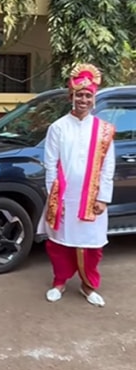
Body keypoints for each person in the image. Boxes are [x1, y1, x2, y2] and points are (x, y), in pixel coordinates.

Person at [38, 63, 116, 307]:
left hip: (92, 200)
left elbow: (108, 166)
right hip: (64, 198)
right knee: (59, 244)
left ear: (94, 99)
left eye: (88, 95)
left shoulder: (104, 130)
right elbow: (50, 164)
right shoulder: (58, 128)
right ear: (71, 97)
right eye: (79, 95)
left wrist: (103, 197)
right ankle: (59, 282)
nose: (83, 99)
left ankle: (88, 286)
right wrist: (53, 195)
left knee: (91, 246)